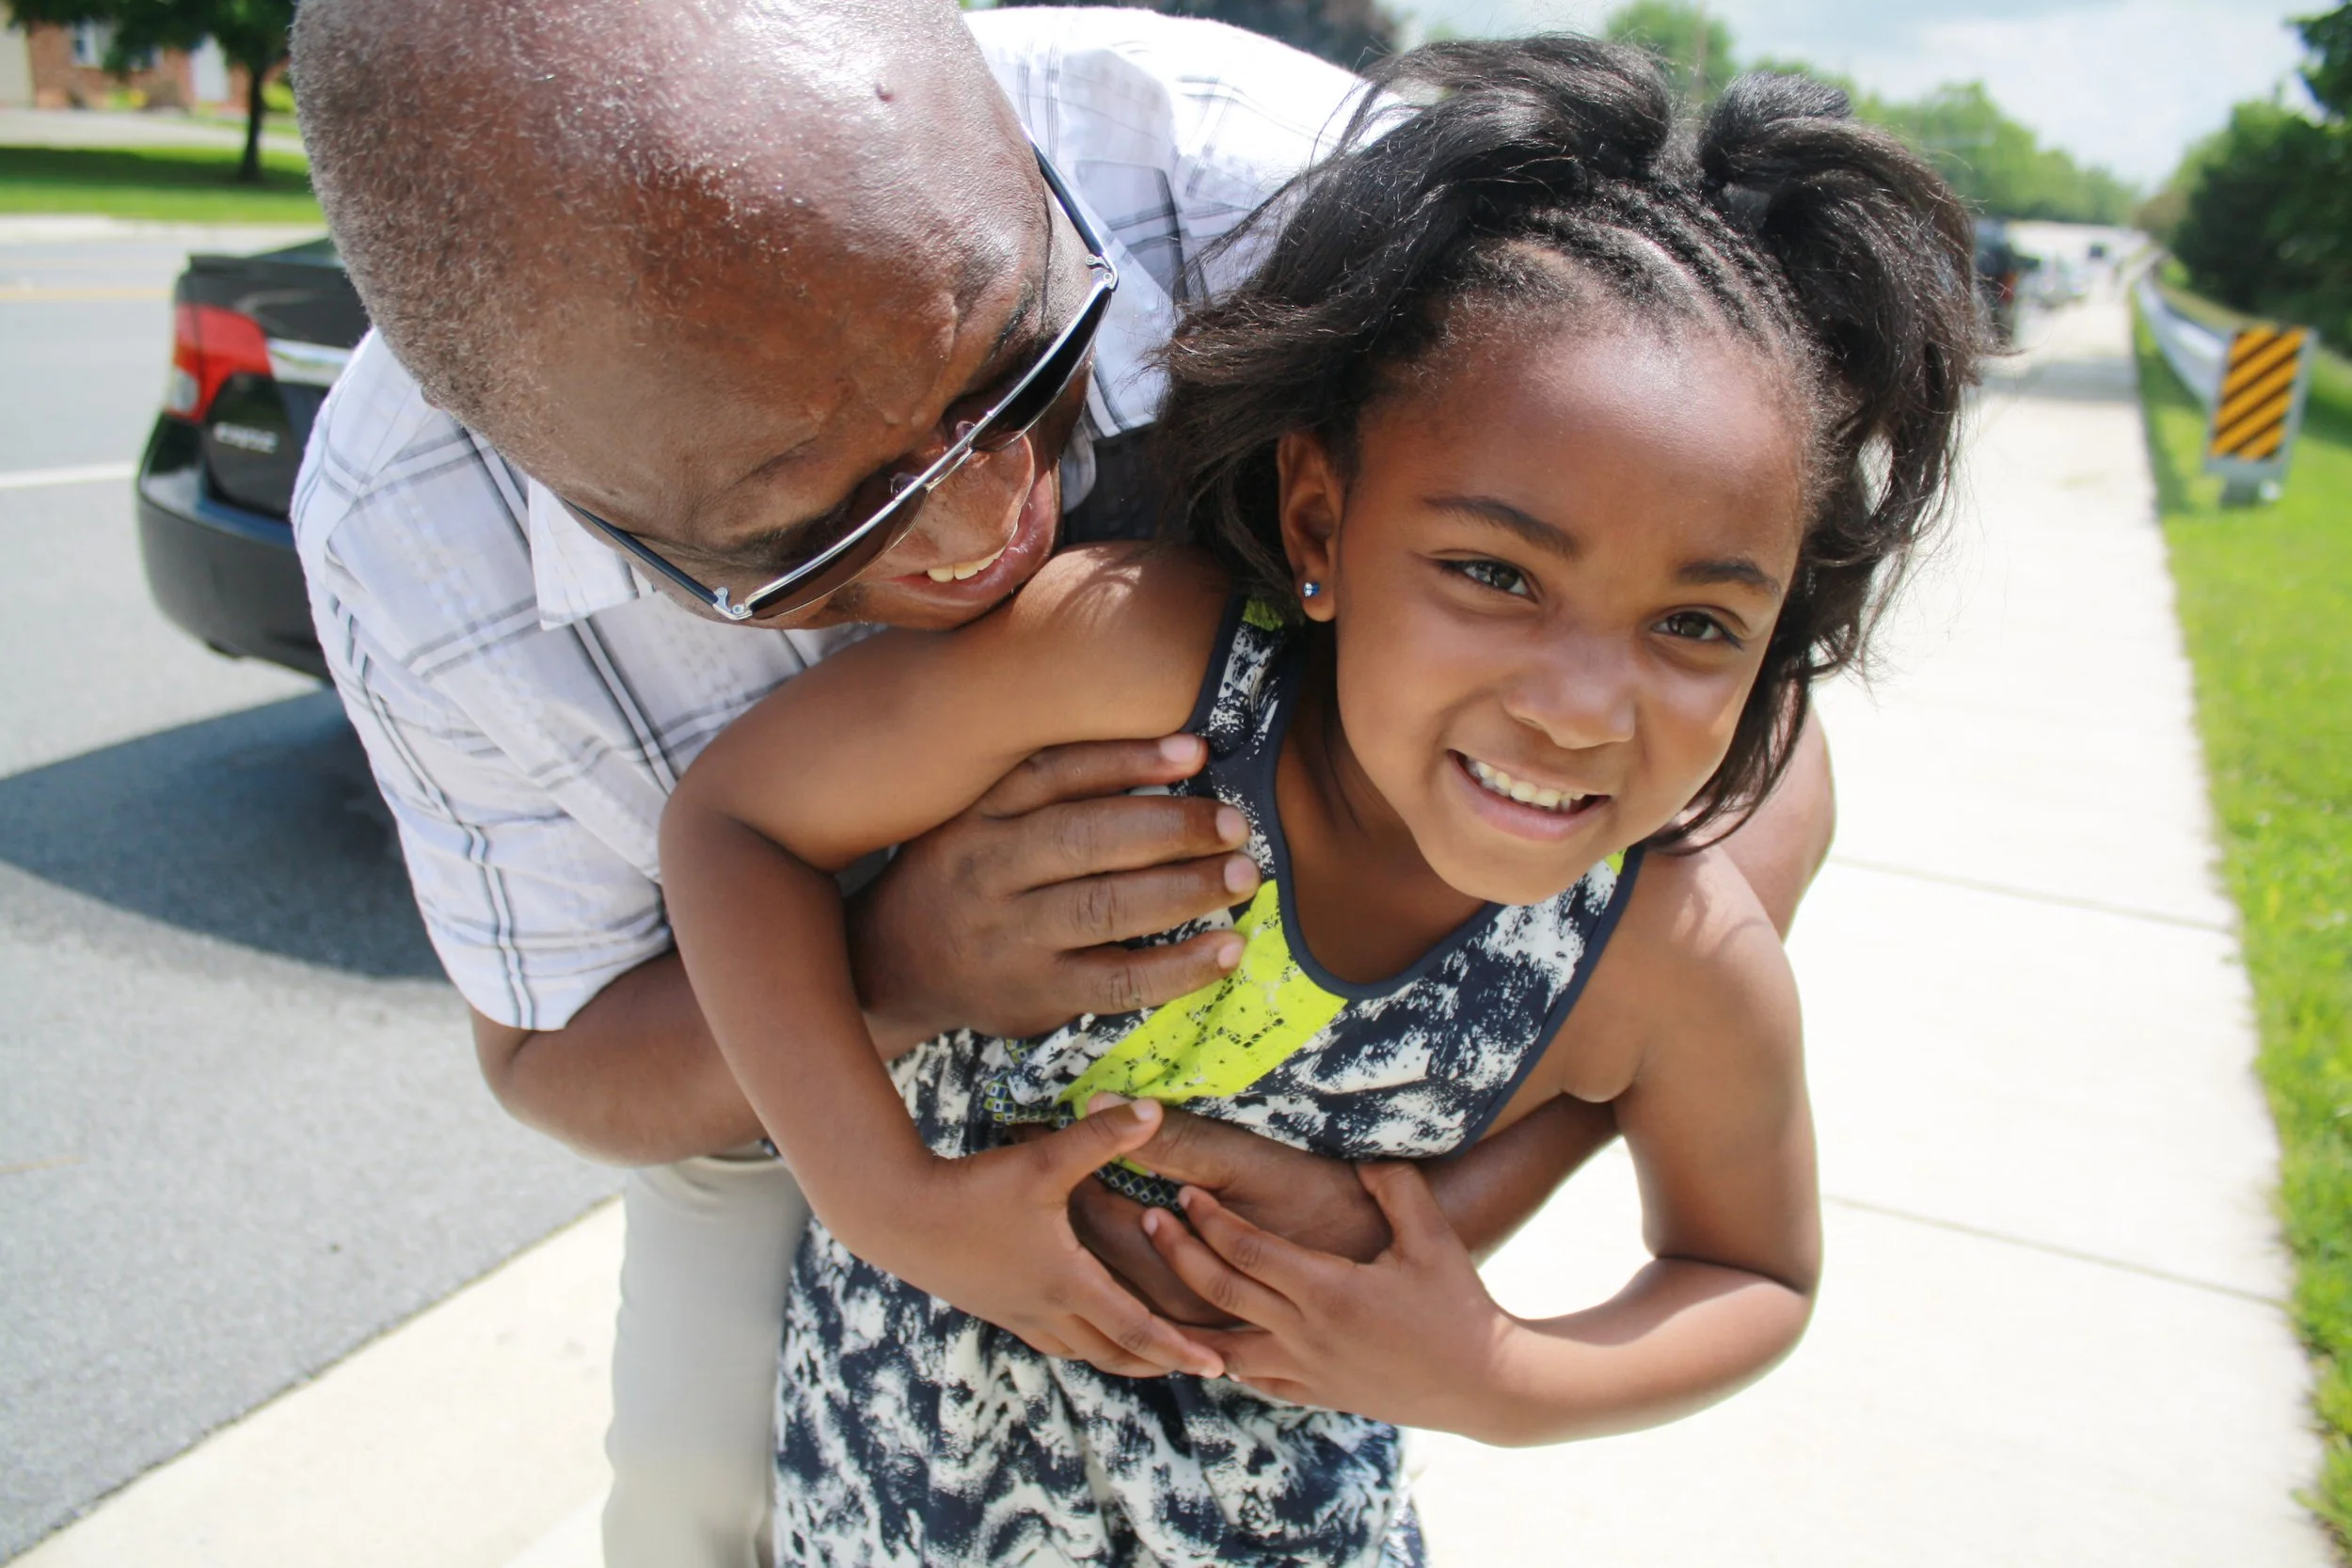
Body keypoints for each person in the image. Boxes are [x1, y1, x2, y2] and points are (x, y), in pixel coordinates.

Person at [286, 4, 1839, 1563]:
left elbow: (1753, 781)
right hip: (811, 1107)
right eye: (810, 530)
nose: (993, 533)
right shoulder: (410, 539)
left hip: (1276, 1323)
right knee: (698, 1507)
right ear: (566, 483)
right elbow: (562, 1051)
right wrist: (899, 988)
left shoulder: (1324, 196)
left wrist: (1440, 1189)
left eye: (1020, 368)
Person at [660, 39, 1979, 1568]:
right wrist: (888, 1197)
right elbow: (733, 828)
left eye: (1693, 625)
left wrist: (1495, 1372)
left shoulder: (1675, 962)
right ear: (1321, 522)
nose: (1577, 702)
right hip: (902, 1474)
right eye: (1495, 574)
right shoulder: (1134, 664)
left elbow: (1753, 1273)